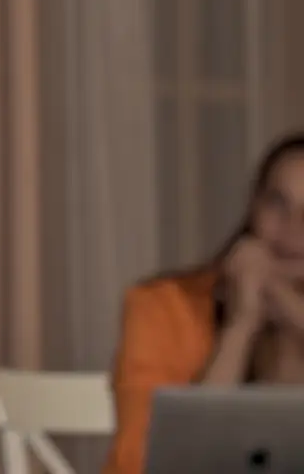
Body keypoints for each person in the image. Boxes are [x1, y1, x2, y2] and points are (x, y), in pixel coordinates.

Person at [103, 132, 304, 474]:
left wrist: (287, 306)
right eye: (277, 203)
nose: (293, 228)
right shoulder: (162, 306)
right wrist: (240, 326)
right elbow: (150, 463)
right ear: (253, 208)